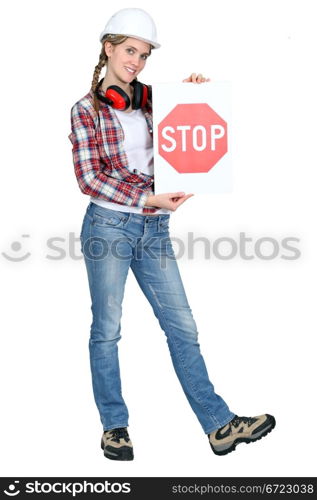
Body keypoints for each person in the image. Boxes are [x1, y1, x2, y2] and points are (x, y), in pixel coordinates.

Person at [69, 7, 276, 461]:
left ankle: (219, 425)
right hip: (108, 226)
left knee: (182, 326)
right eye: (129, 51)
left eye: (143, 55)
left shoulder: (149, 101)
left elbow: (187, 136)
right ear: (108, 49)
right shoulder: (86, 110)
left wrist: (197, 98)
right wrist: (147, 199)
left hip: (155, 227)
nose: (136, 62)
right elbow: (90, 179)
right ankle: (114, 427)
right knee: (107, 330)